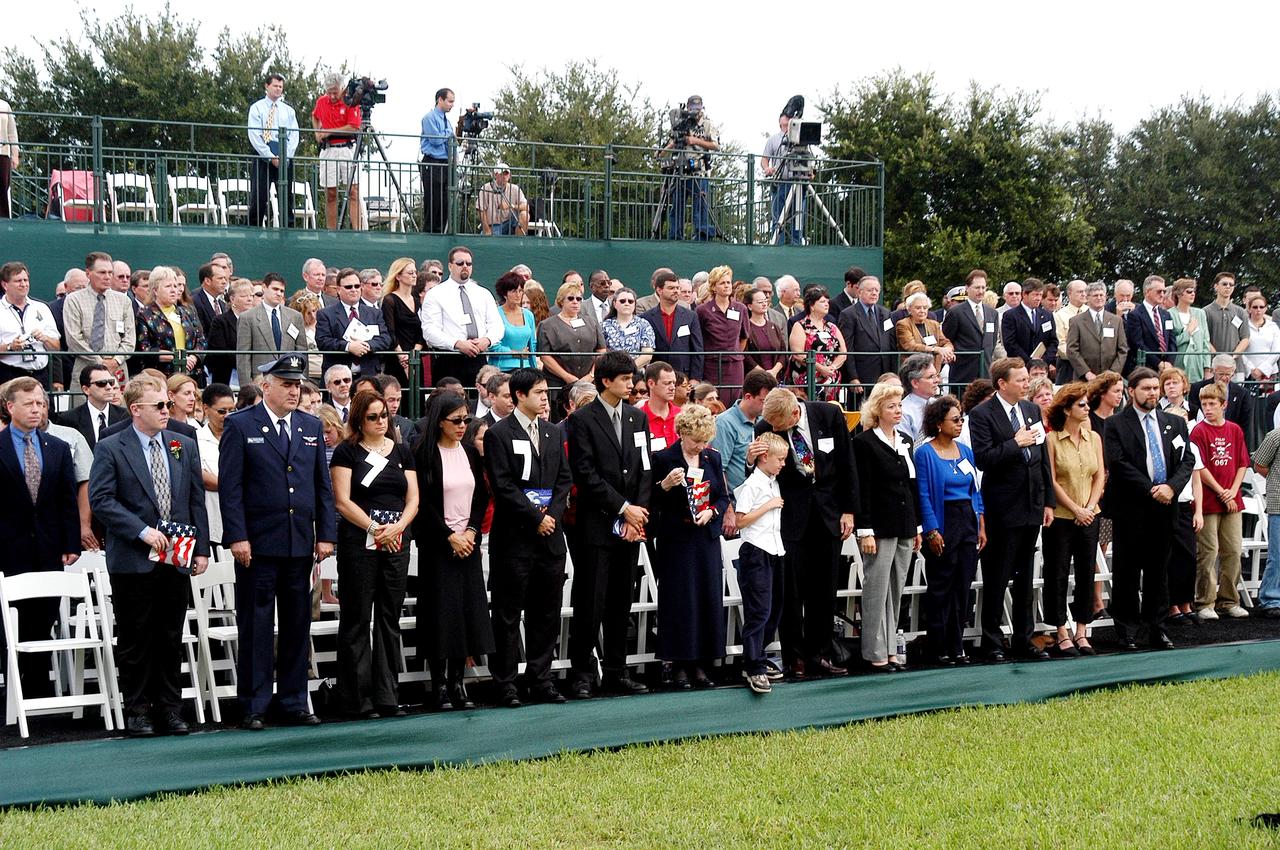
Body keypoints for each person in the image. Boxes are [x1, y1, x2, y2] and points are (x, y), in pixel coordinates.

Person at [219, 355, 335, 729]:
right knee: (256, 623)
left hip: (299, 540)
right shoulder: (240, 425)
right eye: (286, 383)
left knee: (297, 623)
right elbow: (231, 487)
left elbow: (322, 486)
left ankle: (294, 700)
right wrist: (237, 535)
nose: (293, 390)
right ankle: (254, 703)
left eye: (297, 384)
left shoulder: (310, 425)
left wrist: (326, 534)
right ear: (266, 385)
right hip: (258, 543)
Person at [89, 374, 208, 737]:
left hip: (176, 556)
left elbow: (194, 497)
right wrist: (142, 531)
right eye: (160, 406)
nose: (166, 411)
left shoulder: (180, 443)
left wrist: (200, 549)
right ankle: (138, 709)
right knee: (136, 636)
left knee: (171, 635)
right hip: (133, 558)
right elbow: (102, 500)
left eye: (168, 405)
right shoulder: (112, 446)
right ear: (135, 409)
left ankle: (171, 708)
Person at [748, 387, 857, 678]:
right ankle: (794, 657)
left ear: (795, 413)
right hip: (790, 520)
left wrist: (849, 510)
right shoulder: (765, 426)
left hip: (828, 515)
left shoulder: (829, 414)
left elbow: (847, 463)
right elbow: (759, 479)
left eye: (780, 426)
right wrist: (751, 460)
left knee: (824, 589)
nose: (774, 429)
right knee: (791, 593)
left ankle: (820, 654)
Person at [565, 350, 653, 698]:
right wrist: (623, 508)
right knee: (591, 600)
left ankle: (617, 670)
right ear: (606, 381)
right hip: (596, 525)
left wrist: (638, 513)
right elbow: (584, 474)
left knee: (621, 601)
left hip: (631, 528)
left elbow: (644, 467)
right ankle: (582, 672)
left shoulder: (636, 418)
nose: (632, 385)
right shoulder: (583, 420)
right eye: (625, 379)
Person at [483, 368, 572, 706]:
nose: (545, 397)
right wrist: (535, 518)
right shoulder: (498, 434)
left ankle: (541, 678)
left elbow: (564, 480)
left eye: (545, 392)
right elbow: (502, 485)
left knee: (546, 612)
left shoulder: (551, 432)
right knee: (507, 614)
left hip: (550, 538)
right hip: (515, 539)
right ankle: (505, 682)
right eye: (538, 392)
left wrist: (552, 517)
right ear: (519, 395)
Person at [329, 388, 418, 718]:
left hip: (395, 542)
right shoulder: (346, 452)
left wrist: (398, 528)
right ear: (359, 420)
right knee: (356, 618)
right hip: (359, 542)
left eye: (385, 416)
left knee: (388, 617)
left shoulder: (403, 451)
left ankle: (387, 694)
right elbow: (342, 500)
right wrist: (372, 528)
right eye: (373, 417)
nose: (381, 421)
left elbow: (413, 498)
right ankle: (357, 698)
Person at [969, 357, 1055, 662]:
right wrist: (1014, 444)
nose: (1026, 384)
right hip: (1003, 506)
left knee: (1025, 577)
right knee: (998, 575)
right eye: (1019, 380)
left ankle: (1023, 638)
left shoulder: (1031, 409)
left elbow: (1042, 455)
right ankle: (991, 640)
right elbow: (983, 458)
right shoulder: (982, 414)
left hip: (1033, 503)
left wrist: (1048, 501)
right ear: (1002, 383)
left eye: (1026, 379)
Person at [0, 378, 80, 705]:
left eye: (41, 403)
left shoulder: (57, 448)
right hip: (7, 550)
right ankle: (15, 695)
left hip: (49, 550)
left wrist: (71, 543)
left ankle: (38, 692)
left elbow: (66, 500)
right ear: (10, 407)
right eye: (30, 404)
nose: (37, 409)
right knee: (10, 625)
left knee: (44, 619)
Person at [411, 391, 493, 710]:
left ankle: (458, 682)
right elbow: (423, 503)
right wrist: (449, 536)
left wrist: (470, 531)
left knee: (466, 612)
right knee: (440, 614)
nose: (462, 426)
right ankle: (439, 684)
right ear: (440, 422)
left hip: (467, 542)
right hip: (438, 544)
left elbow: (481, 496)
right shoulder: (423, 453)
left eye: (466, 420)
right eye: (456, 421)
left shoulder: (471, 452)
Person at [1104, 367, 1196, 649]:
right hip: (1131, 508)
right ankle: (1127, 628)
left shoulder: (1174, 423)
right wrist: (1151, 488)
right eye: (1146, 388)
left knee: (1159, 571)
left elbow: (1186, 460)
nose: (1153, 393)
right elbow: (1118, 463)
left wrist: (1170, 487)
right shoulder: (1116, 424)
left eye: (1156, 388)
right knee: (1127, 571)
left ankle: (1157, 627)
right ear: (1131, 391)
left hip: (1165, 507)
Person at [852, 382, 921, 672]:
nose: (897, 411)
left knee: (896, 589)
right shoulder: (864, 443)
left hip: (904, 525)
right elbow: (862, 489)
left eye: (900, 405)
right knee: (876, 590)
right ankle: (874, 650)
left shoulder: (905, 440)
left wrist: (917, 526)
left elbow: (912, 485)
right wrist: (865, 530)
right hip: (878, 528)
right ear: (878, 409)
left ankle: (892, 647)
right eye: (892, 406)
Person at [914, 394, 984, 663]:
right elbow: (924, 495)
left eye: (961, 419)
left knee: (962, 586)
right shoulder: (925, 453)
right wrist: (931, 530)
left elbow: (975, 490)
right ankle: (938, 645)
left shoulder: (966, 451)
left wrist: (980, 521)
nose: (960, 424)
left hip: (967, 519)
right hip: (944, 521)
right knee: (941, 585)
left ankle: (958, 645)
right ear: (938, 423)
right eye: (955, 419)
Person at [1041, 383, 1105, 657]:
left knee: (1085, 573)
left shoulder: (1094, 438)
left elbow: (1099, 475)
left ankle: (1082, 630)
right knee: (1057, 573)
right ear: (1067, 409)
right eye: (1081, 404)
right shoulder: (1052, 440)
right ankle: (1061, 631)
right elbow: (1052, 479)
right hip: (1063, 517)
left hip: (1090, 515)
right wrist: (1074, 508)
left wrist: (1089, 507)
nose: (1087, 408)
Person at [1189, 381, 1251, 621]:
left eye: (1212, 404)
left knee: (1233, 550)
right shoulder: (1198, 431)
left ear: (1224, 405)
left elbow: (1242, 462)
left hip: (1232, 500)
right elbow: (1199, 466)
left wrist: (1232, 491)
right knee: (1208, 551)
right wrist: (1221, 491)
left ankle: (1229, 600)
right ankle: (1205, 601)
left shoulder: (1235, 429)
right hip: (1207, 500)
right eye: (1204, 404)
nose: (1207, 408)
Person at [732, 431, 788, 693]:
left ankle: (759, 657)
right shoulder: (753, 484)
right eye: (780, 459)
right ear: (765, 457)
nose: (783, 464)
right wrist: (768, 506)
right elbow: (739, 520)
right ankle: (752, 664)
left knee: (774, 610)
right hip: (755, 551)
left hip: (775, 550)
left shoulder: (773, 481)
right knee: (759, 610)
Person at [420, 246, 504, 387]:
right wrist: (457, 343)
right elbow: (429, 331)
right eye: (460, 263)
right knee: (448, 404)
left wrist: (487, 340)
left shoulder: (483, 293)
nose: (465, 267)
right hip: (449, 358)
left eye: (468, 263)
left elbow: (497, 325)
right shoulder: (436, 294)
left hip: (480, 358)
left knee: (480, 404)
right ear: (450, 266)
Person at [64, 251, 135, 391]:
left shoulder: (124, 301)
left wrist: (116, 360)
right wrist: (99, 361)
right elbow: (73, 338)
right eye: (102, 272)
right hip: (85, 366)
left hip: (118, 369)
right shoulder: (74, 300)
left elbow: (130, 338)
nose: (107, 277)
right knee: (82, 410)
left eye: (110, 272)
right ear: (88, 273)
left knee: (118, 410)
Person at [538, 280, 607, 414]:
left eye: (579, 299)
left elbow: (601, 350)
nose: (575, 302)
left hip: (589, 383)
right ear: (561, 301)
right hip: (559, 383)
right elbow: (545, 356)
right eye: (570, 298)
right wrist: (567, 377)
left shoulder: (591, 321)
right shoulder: (547, 325)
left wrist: (591, 375)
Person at [316, 268, 392, 379]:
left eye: (357, 286)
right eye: (348, 287)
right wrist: (348, 346)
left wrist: (366, 345)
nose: (353, 290)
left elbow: (385, 339)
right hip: (338, 376)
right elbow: (322, 341)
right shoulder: (326, 314)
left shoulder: (375, 313)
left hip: (369, 374)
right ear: (338, 289)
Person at [663, 94, 720, 241]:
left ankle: (701, 237)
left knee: (700, 207)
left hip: (699, 172)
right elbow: (673, 141)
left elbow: (716, 145)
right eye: (693, 109)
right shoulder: (683, 122)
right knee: (677, 206)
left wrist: (695, 140)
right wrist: (661, 152)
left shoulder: (707, 124)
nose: (696, 112)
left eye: (698, 109)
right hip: (681, 170)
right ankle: (675, 236)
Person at [713, 368, 779, 494]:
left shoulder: (766, 421)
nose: (768, 406)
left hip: (763, 498)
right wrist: (727, 507)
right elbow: (718, 469)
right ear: (748, 396)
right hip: (736, 501)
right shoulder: (724, 423)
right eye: (764, 401)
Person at [246, 73, 299, 228]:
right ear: (267, 86)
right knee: (259, 194)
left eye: (280, 87)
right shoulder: (257, 108)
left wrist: (286, 157)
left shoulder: (288, 111)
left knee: (286, 194)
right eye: (275, 86)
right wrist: (270, 156)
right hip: (263, 154)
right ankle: (254, 228)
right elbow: (255, 135)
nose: (278, 89)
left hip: (284, 154)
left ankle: (287, 228)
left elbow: (294, 134)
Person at [236, 272, 306, 386]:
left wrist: (304, 383)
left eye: (282, 291)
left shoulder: (295, 317)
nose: (279, 293)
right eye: (275, 289)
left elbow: (302, 351)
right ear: (264, 287)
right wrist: (246, 388)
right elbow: (243, 357)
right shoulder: (248, 317)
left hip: (290, 378)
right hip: (260, 381)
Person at [135, 266, 206, 377]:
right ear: (155, 290)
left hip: (192, 374)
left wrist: (193, 357)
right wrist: (178, 358)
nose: (174, 290)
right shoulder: (144, 314)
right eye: (168, 286)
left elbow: (201, 340)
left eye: (175, 286)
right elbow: (145, 349)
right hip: (161, 376)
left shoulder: (188, 311)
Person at [312, 72, 362, 230]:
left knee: (353, 191)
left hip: (347, 149)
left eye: (335, 92)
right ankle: (331, 231)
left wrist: (330, 131)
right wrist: (317, 132)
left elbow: (353, 127)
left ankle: (357, 230)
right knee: (330, 192)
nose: (333, 96)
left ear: (342, 88)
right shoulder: (321, 101)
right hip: (328, 150)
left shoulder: (350, 102)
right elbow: (314, 116)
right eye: (329, 92)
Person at [0, 262, 61, 388]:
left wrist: (45, 338)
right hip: (9, 375)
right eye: (18, 281)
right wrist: (10, 347)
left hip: (40, 375)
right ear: (5, 285)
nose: (23, 284)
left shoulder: (42, 308)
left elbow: (56, 348)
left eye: (26, 280)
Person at [696, 265, 749, 404]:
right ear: (713, 287)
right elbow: (699, 339)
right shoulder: (702, 310)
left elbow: (744, 337)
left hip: (735, 365)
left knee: (735, 400)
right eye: (722, 283)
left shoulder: (740, 308)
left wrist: (734, 353)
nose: (727, 286)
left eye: (728, 282)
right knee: (713, 401)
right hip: (712, 365)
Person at [641, 268, 704, 381]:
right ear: (659, 290)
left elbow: (697, 349)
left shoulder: (691, 316)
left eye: (677, 288)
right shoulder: (646, 318)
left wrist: (695, 378)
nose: (676, 291)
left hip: (684, 376)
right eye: (671, 288)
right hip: (657, 377)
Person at [941, 270, 999, 387]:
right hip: (962, 374)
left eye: (983, 287)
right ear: (967, 288)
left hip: (985, 373)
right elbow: (946, 339)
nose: (981, 291)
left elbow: (991, 342)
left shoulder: (992, 313)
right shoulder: (955, 312)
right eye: (977, 287)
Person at [788, 285, 847, 402]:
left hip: (830, 379)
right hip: (808, 379)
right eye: (822, 302)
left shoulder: (832, 326)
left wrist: (831, 368)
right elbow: (797, 354)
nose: (827, 304)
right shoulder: (800, 326)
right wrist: (820, 368)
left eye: (827, 301)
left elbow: (843, 352)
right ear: (812, 306)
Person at [195, 383, 233, 553]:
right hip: (210, 522)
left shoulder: (241, 436)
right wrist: (236, 484)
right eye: (222, 411)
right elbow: (201, 478)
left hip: (239, 524)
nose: (227, 416)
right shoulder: (195, 440)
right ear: (206, 408)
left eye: (232, 410)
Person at [1066, 281, 1128, 382]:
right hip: (1084, 379)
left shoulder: (1116, 321)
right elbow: (1072, 350)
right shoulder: (1076, 321)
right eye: (1095, 295)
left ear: (1106, 297)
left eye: (1101, 295)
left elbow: (1123, 349)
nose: (1099, 298)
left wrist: (1113, 372)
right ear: (1087, 298)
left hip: (1110, 379)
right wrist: (1086, 372)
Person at [56, 364, 126, 449]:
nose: (109, 387)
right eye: (101, 383)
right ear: (86, 389)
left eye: (111, 382)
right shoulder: (68, 419)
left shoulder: (125, 416)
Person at [1250, 425, 1280, 618]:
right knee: (1277, 555)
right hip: (1279, 503)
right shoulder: (1276, 435)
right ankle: (1270, 599)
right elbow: (1259, 464)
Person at [1001, 279, 1057, 378]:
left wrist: (1044, 360)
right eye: (1035, 295)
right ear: (1024, 294)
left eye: (1040, 295)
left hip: (1042, 368)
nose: (1038, 298)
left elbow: (1053, 341)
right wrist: (1029, 361)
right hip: (1019, 368)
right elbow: (1010, 343)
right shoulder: (1011, 315)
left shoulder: (1047, 315)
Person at [760, 111, 803, 244]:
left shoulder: (800, 138)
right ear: (780, 123)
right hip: (781, 183)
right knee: (778, 218)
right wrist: (767, 169)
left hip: (799, 183)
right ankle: (778, 246)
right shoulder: (773, 140)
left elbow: (807, 157)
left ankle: (796, 245)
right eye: (785, 123)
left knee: (798, 218)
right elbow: (764, 159)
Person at [1122, 275, 1178, 375]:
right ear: (1147, 292)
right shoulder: (1135, 315)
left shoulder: (1166, 314)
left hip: (1167, 369)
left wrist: (1168, 363)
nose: (1162, 294)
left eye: (1164, 291)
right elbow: (1137, 344)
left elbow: (1172, 341)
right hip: (1146, 368)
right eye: (1159, 291)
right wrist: (1158, 363)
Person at [418, 88, 455, 233]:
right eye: (450, 101)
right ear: (440, 99)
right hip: (432, 162)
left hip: (445, 163)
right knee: (433, 200)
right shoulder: (429, 118)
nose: (452, 105)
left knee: (444, 202)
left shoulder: (447, 120)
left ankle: (440, 232)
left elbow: (450, 140)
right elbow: (436, 140)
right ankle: (429, 233)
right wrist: (448, 133)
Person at [205, 279, 252, 387]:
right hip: (227, 377)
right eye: (244, 296)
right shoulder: (221, 322)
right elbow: (219, 351)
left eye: (251, 296)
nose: (249, 299)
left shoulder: (256, 321)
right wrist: (244, 363)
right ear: (232, 299)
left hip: (252, 376)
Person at [486, 272, 538, 372]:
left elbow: (532, 344)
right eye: (514, 291)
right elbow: (492, 346)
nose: (518, 295)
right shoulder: (495, 313)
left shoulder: (528, 315)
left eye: (520, 291)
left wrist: (533, 368)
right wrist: (516, 353)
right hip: (501, 370)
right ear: (505, 294)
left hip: (526, 369)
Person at [1188, 354, 1254, 431]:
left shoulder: (1242, 394)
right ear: (1213, 371)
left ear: (1233, 373)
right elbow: (1193, 417)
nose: (1224, 378)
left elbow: (1246, 425)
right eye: (1221, 374)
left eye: (1228, 374)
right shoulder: (1197, 388)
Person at [895, 292, 955, 376]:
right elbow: (910, 346)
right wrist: (935, 349)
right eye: (918, 308)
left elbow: (945, 342)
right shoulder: (903, 324)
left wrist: (948, 350)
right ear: (909, 309)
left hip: (934, 369)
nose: (922, 311)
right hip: (913, 369)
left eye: (925, 307)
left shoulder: (934, 324)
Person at [1168, 278, 1212, 382]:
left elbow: (1205, 342)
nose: (1192, 294)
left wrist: (1207, 368)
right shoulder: (1169, 314)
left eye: (1194, 291)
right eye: (1189, 291)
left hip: (1197, 365)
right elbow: (1171, 343)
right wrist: (1188, 333)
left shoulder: (1200, 313)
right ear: (1178, 294)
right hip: (1178, 365)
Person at [602, 287, 656, 368]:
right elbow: (601, 351)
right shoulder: (605, 325)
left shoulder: (644, 324)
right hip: (611, 371)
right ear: (614, 304)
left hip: (637, 373)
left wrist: (630, 369)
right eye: (622, 301)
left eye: (630, 301)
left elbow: (647, 354)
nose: (626, 304)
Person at [1202, 272, 1249, 362]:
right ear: (1216, 286)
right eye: (1224, 284)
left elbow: (1245, 338)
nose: (1228, 287)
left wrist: (1233, 357)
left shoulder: (1241, 312)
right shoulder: (1205, 311)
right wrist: (1218, 357)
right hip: (1212, 365)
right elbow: (1204, 339)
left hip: (1236, 366)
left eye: (1231, 284)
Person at [744, 288, 787, 380]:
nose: (764, 304)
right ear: (750, 306)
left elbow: (783, 352)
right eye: (760, 302)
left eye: (765, 301)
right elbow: (746, 355)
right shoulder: (746, 327)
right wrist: (763, 373)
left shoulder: (774, 327)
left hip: (776, 377)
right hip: (754, 378)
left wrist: (774, 371)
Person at [475, 162, 528, 236]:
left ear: (509, 176)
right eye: (501, 174)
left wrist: (511, 206)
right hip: (493, 226)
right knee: (491, 243)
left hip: (510, 223)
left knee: (525, 215)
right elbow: (481, 211)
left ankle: (518, 244)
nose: (504, 176)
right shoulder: (486, 188)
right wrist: (486, 230)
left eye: (506, 174)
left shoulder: (515, 188)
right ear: (495, 175)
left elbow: (526, 206)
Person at [898, 353, 940, 443]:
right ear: (915, 383)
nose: (937, 380)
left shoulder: (938, 405)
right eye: (931, 377)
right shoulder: (903, 412)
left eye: (937, 375)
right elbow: (906, 448)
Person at [1243, 291, 1280, 391]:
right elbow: (1240, 349)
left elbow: (1276, 351)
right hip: (1249, 374)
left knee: (1270, 404)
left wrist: (1262, 369)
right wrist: (1252, 369)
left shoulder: (1273, 327)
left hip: (1270, 373)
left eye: (1261, 307)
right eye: (1255, 307)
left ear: (1266, 308)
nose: (1258, 310)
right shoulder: (1243, 326)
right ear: (1249, 309)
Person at [0, 94, 17, 218]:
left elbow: (12, 133)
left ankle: (3, 220)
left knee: (3, 186)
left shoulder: (5, 105)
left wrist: (15, 154)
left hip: (3, 152)